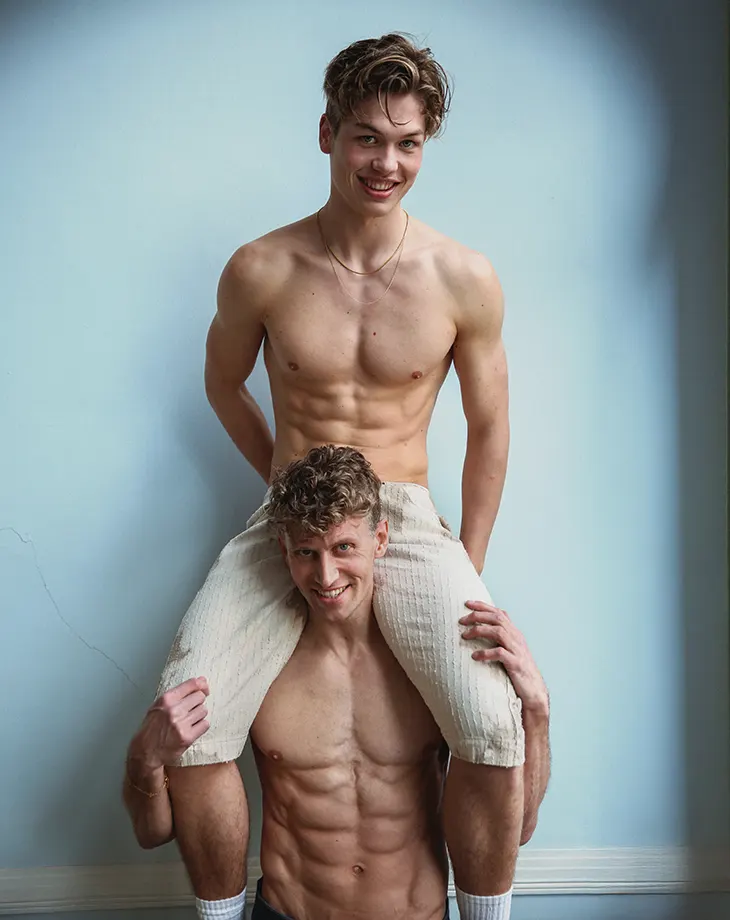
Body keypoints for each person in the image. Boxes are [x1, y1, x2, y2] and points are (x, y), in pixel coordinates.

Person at [148, 30, 529, 919]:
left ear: (425, 144)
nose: (386, 163)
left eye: (407, 143)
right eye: (367, 138)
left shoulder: (462, 277)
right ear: (328, 134)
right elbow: (221, 384)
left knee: (492, 720)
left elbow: (489, 427)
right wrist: (281, 482)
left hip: (404, 515)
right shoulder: (261, 267)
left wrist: (468, 563)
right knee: (191, 717)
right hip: (293, 512)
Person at [125, 448, 551, 920]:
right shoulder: (253, 670)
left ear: (380, 539)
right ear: (285, 552)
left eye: (343, 547)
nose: (326, 576)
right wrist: (145, 757)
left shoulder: (434, 669)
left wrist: (536, 710)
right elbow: (152, 833)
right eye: (307, 552)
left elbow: (518, 829)